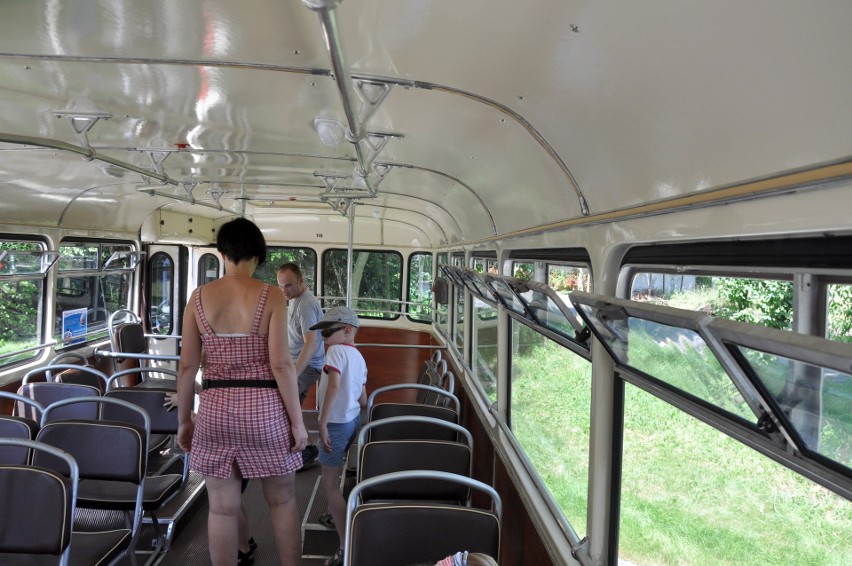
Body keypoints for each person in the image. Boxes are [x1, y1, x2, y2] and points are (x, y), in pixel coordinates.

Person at [176, 217, 308, 566]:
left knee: (221, 509)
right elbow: (281, 365)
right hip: (265, 411)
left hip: (216, 410)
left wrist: (184, 421)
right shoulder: (272, 297)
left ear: (221, 253)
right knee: (282, 501)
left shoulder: (198, 299)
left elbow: (188, 367)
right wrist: (297, 423)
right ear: (258, 256)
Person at [309, 306, 368, 566]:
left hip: (334, 424)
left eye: (327, 332)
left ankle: (346, 546)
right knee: (338, 472)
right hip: (352, 420)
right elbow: (364, 397)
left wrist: (321, 423)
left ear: (347, 331)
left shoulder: (335, 351)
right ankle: (337, 514)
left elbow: (333, 385)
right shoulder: (359, 357)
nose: (323, 338)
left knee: (330, 485)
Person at [277, 262, 324, 468]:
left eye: (288, 286)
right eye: (280, 286)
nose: (284, 291)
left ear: (301, 281)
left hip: (308, 366)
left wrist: (293, 375)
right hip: (294, 363)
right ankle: (304, 447)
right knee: (288, 407)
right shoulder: (294, 300)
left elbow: (311, 344)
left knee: (284, 405)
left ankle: (306, 448)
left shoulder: (306, 305)